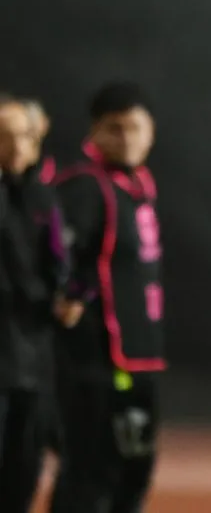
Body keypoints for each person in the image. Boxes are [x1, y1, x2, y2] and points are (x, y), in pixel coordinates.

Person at [49, 81, 165, 513]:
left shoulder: (137, 186)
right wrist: (71, 295)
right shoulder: (84, 186)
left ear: (151, 130)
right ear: (94, 132)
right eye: (115, 129)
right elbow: (60, 254)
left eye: (135, 127)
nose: (127, 138)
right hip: (99, 362)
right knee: (90, 470)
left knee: (133, 469)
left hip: (139, 356)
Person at [0, 97, 78, 512]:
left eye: (23, 136)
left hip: (32, 359)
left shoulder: (44, 199)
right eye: (5, 136)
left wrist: (68, 298)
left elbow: (61, 267)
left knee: (24, 471)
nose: (14, 146)